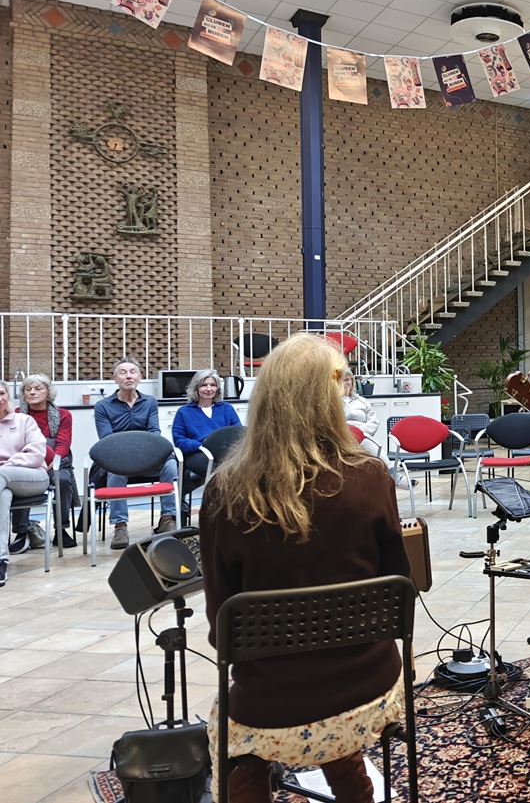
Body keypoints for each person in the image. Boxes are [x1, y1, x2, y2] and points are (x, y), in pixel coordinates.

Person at [199, 333, 413, 803]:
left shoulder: (225, 491)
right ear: (329, 400)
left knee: (236, 744)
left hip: (271, 699)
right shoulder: (371, 476)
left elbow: (223, 629)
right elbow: (400, 584)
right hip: (368, 682)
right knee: (330, 693)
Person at [94, 358, 179, 549]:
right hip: (119, 458)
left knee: (170, 464)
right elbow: (107, 439)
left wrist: (145, 454)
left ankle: (167, 518)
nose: (129, 376)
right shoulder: (103, 406)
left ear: (140, 377)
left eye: (133, 371)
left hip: (149, 457)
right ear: (115, 378)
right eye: (123, 372)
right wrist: (130, 455)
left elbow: (154, 432)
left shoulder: (150, 402)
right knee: (114, 471)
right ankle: (120, 526)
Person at [13, 374, 77, 551]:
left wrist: (54, 460)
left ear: (49, 392)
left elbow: (63, 442)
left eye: (38, 388)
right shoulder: (16, 415)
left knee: (63, 480)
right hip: (25, 462)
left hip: (53, 462)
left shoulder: (63, 415)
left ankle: (61, 530)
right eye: (28, 389)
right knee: (16, 482)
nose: (32, 392)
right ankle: (21, 531)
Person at [172, 369, 242, 523]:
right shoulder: (184, 412)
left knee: (236, 464)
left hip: (224, 452)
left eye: (213, 385)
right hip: (197, 453)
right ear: (196, 388)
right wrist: (202, 445)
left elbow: (238, 432)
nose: (209, 389)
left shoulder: (226, 409)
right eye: (204, 385)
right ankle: (220, 509)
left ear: (217, 388)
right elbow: (179, 440)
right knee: (223, 468)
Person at [0, 380, 51, 587]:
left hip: (32, 476)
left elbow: (37, 454)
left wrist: (8, 466)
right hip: (3, 483)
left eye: (2, 393)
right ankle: (1, 560)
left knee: (2, 475)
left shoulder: (23, 421)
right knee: (2, 496)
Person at [340, 369, 377, 439]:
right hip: (342, 440)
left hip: (363, 437)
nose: (344, 383)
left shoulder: (363, 401)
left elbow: (374, 422)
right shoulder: (332, 402)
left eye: (347, 380)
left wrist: (359, 432)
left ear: (352, 381)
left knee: (378, 450)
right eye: (340, 380)